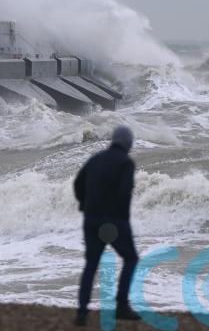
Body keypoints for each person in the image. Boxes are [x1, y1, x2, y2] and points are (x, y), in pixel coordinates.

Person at [73, 125, 141, 326]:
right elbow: (124, 191)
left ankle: (82, 313)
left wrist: (84, 204)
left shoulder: (95, 159)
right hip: (113, 222)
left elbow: (78, 184)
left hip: (91, 220)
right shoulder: (126, 162)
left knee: (91, 265)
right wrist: (124, 219)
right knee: (131, 259)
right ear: (128, 143)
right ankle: (121, 306)